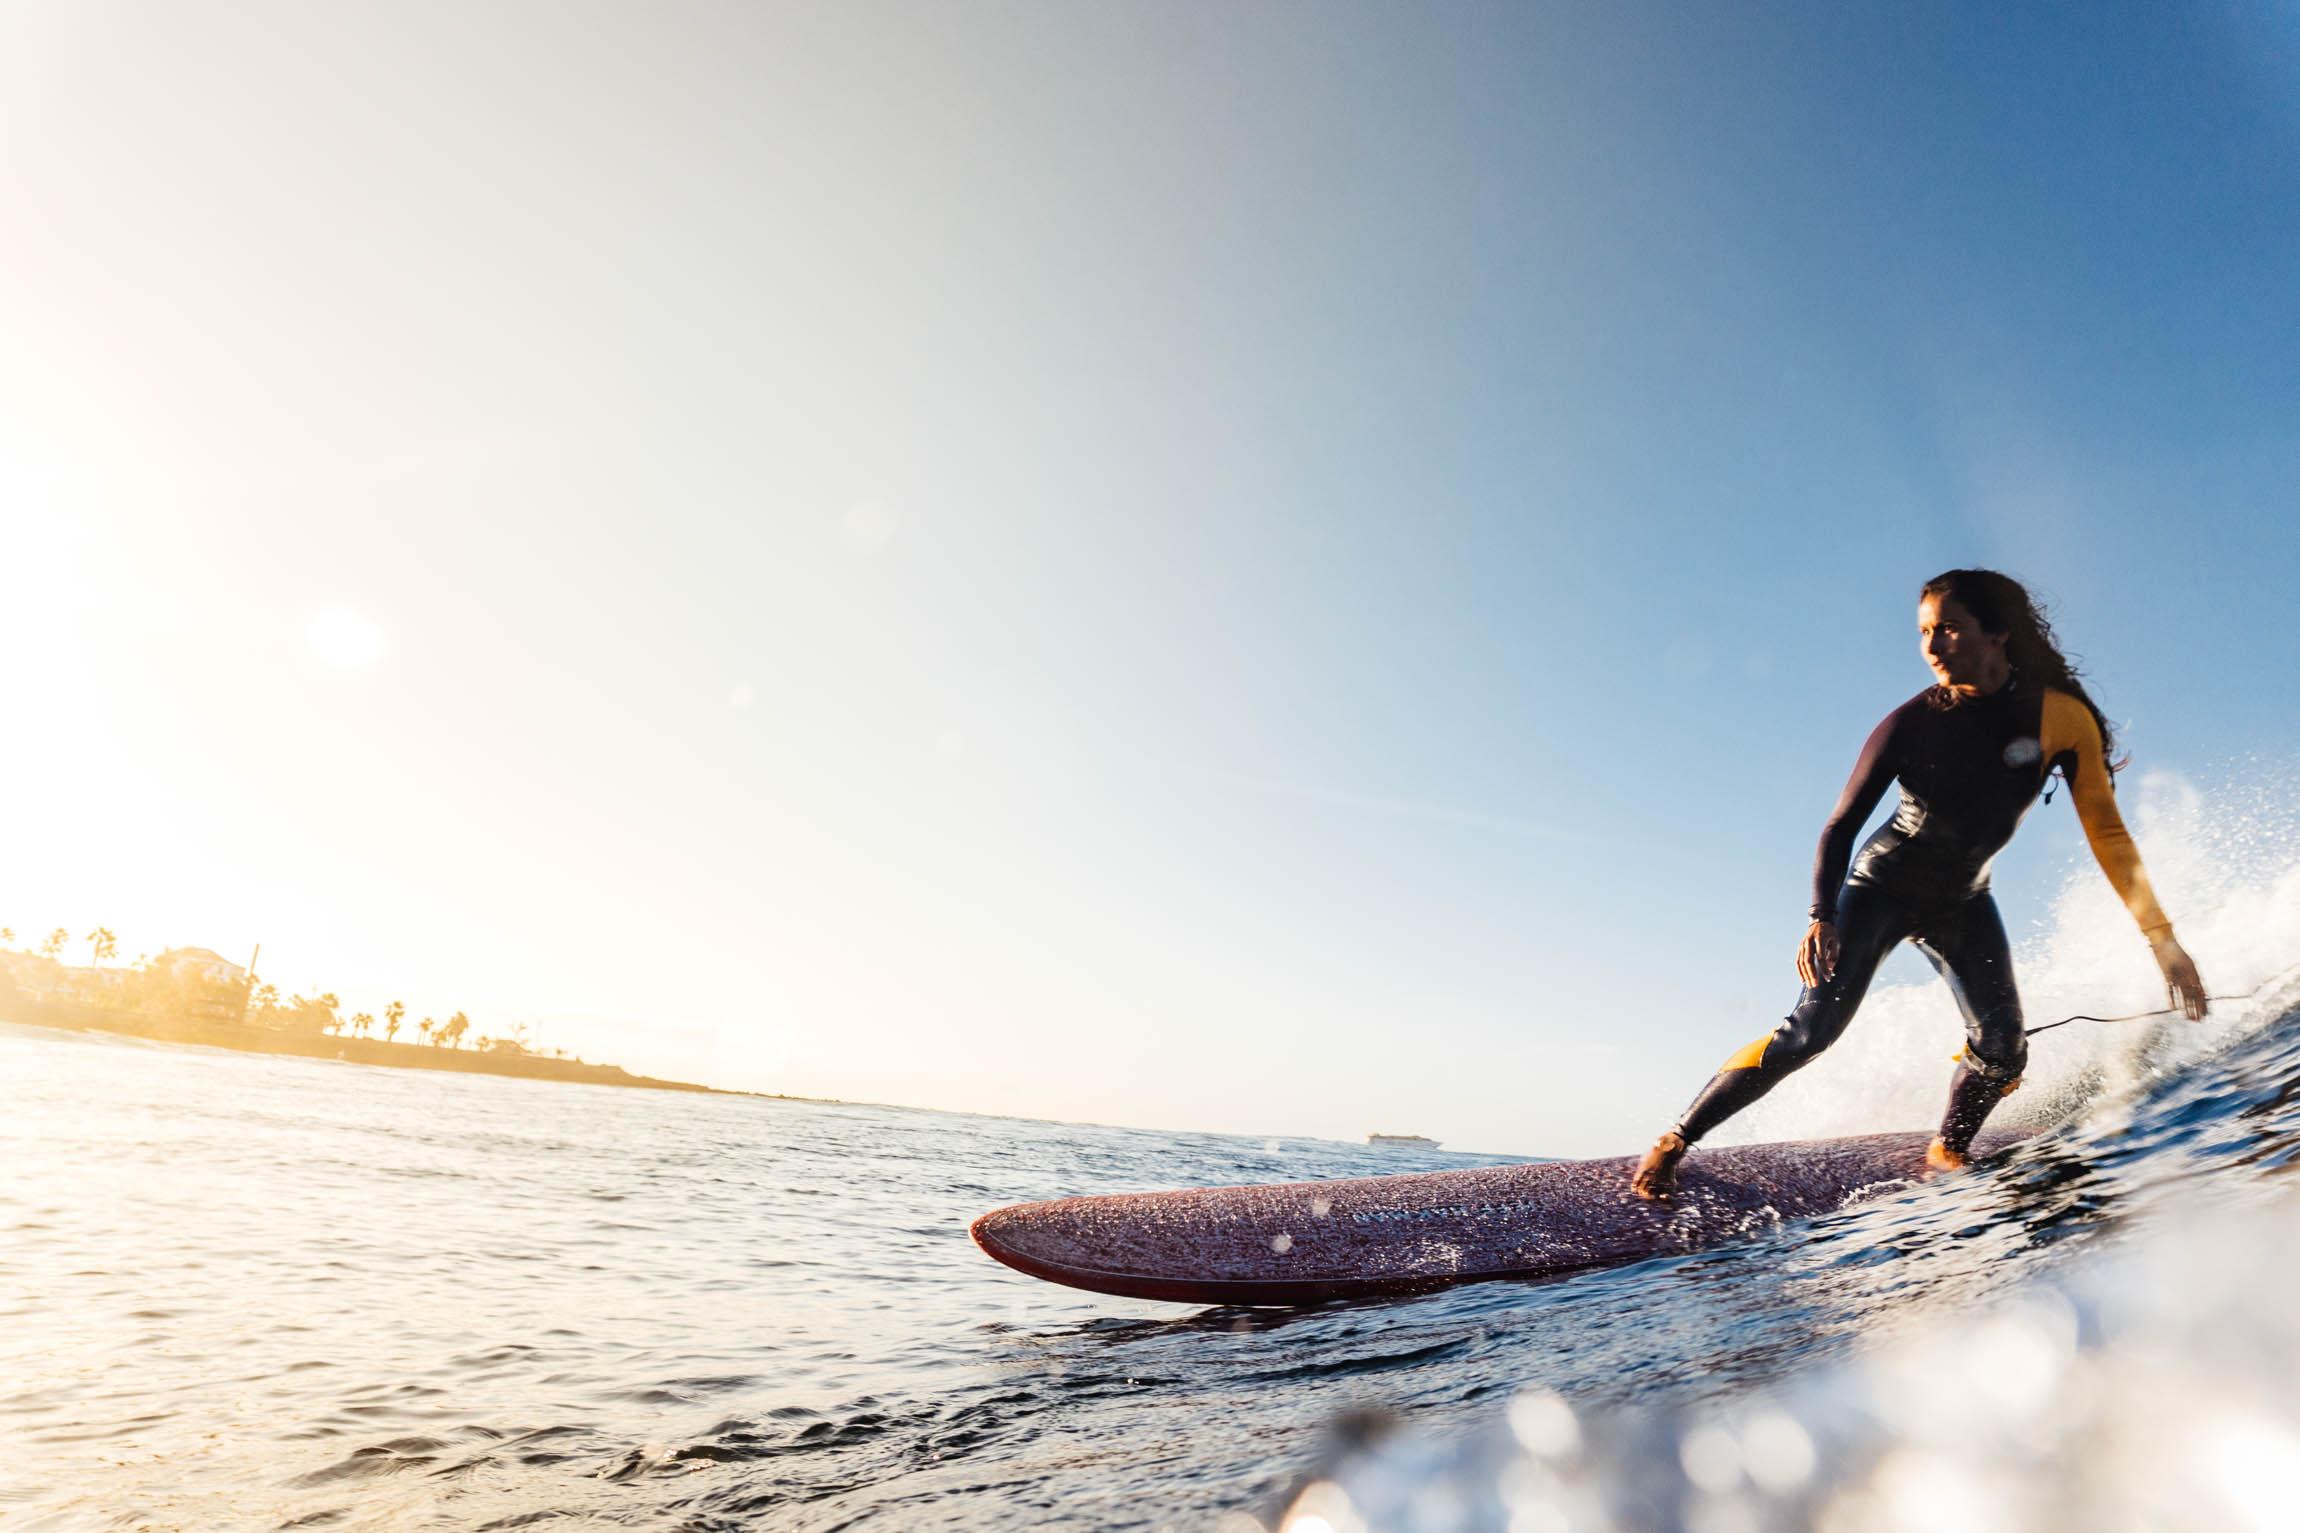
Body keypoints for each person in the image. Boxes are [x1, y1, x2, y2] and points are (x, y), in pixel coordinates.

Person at [1630, 569, 2208, 1200]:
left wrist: (2162, 940)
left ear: (1998, 635)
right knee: (1811, 1033)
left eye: (1950, 629)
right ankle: (1677, 1138)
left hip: (1962, 900)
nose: (1933, 647)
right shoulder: (1912, 724)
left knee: (2004, 1047)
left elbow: (2110, 837)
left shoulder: (2061, 719)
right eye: (1925, 632)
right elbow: (1839, 825)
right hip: (1879, 888)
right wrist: (1821, 914)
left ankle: (1948, 1152)